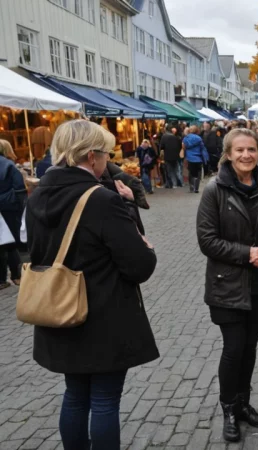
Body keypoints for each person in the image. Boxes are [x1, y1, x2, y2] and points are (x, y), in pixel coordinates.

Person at [28, 120, 157, 449]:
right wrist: (144, 246)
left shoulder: (38, 194)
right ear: (90, 156)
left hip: (58, 310)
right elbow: (139, 266)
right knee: (103, 401)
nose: (107, 160)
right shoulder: (100, 199)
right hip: (102, 317)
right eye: (105, 153)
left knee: (75, 395)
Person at [196, 128, 258, 442]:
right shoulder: (214, 189)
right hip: (226, 285)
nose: (246, 155)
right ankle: (229, 409)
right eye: (239, 150)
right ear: (228, 154)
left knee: (249, 348)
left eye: (251, 150)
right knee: (233, 349)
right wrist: (248, 253)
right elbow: (207, 241)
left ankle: (244, 404)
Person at [0, 139, 25, 289]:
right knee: (10, 243)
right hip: (8, 207)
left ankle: (2, 279)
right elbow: (19, 188)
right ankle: (16, 275)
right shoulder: (8, 165)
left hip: (6, 205)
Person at [183, 126, 209, 193]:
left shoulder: (186, 138)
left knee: (191, 172)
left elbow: (183, 147)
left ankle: (191, 186)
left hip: (189, 158)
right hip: (198, 158)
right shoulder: (199, 138)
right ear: (197, 131)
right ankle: (196, 188)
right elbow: (202, 147)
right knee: (198, 172)